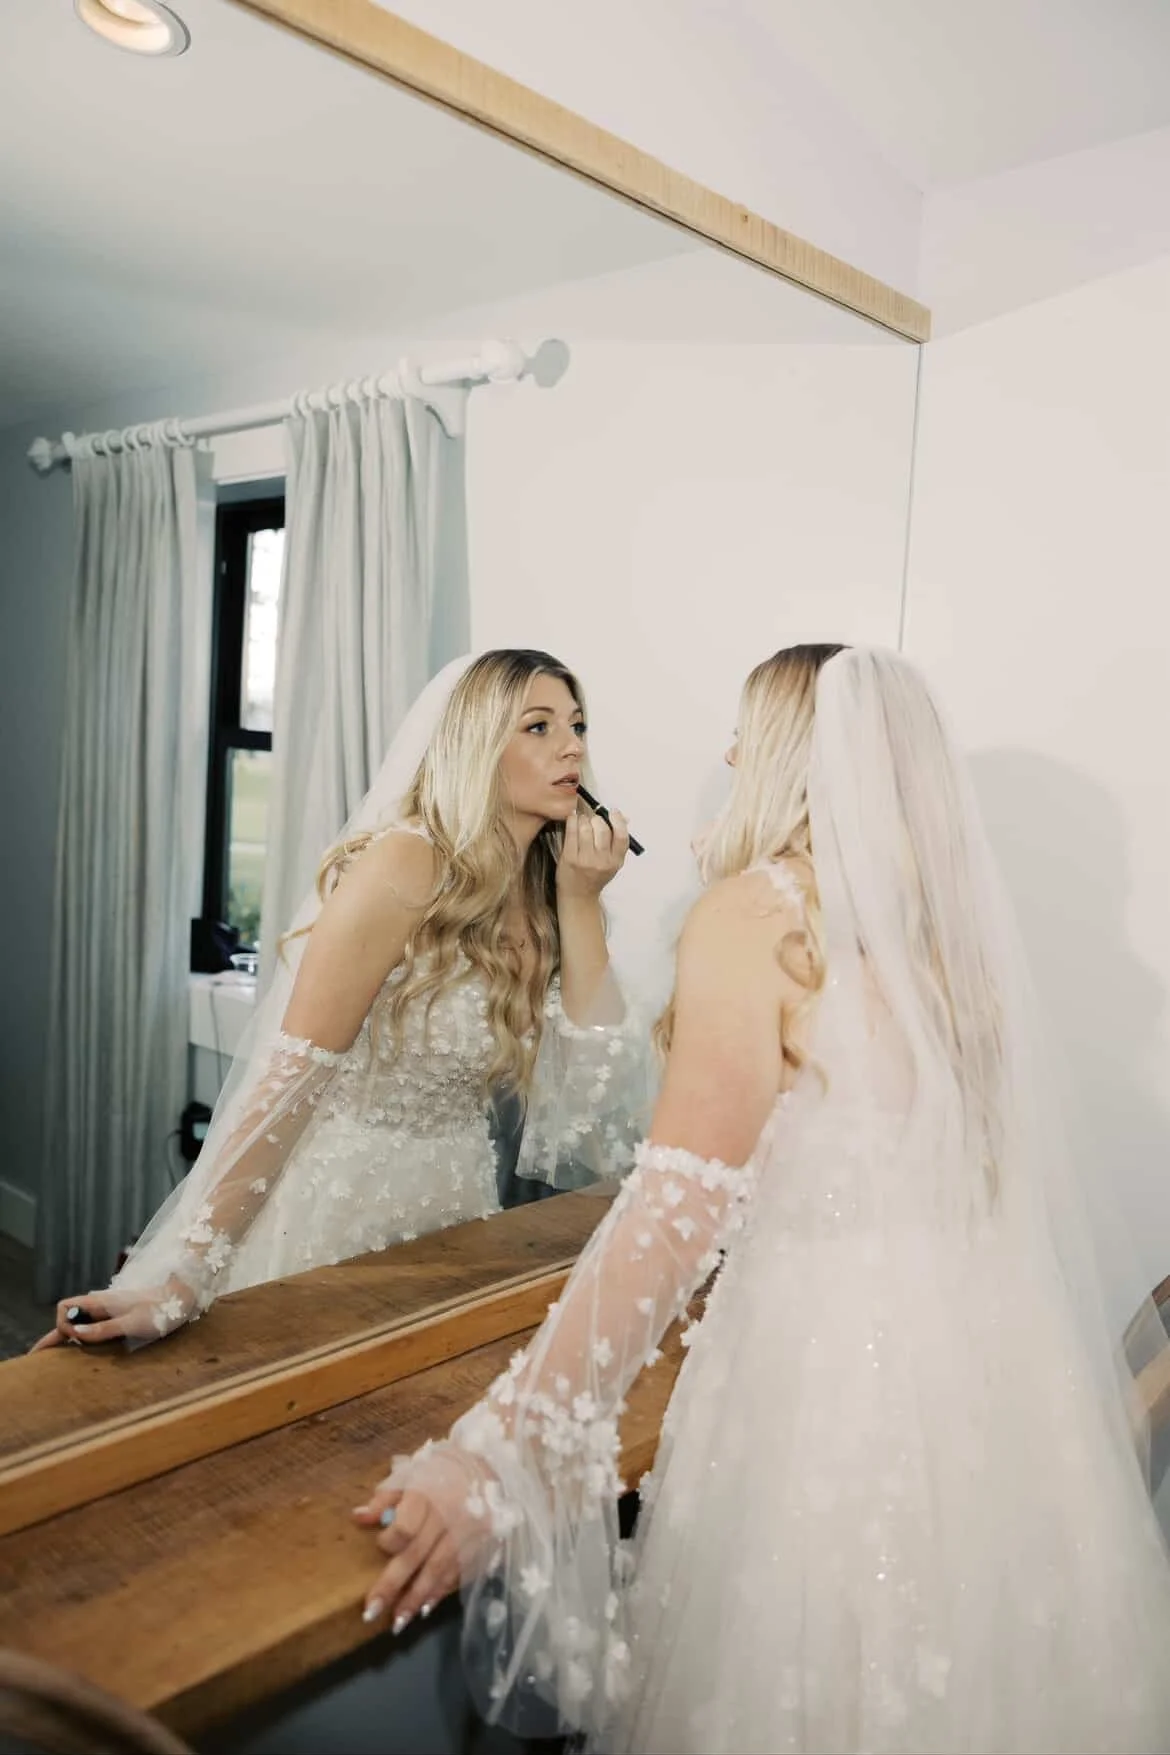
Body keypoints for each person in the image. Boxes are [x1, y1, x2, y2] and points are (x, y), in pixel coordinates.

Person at [355, 645, 1170, 1754]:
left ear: (797, 754)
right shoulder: (948, 950)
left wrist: (500, 1449)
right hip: (985, 1394)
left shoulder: (758, 915)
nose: (729, 753)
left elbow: (675, 1210)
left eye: (748, 732)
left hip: (827, 1392)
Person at [36, 649, 652, 1350]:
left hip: (455, 1211)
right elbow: (293, 1075)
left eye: (577, 725)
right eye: (538, 727)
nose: (572, 744)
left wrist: (578, 900)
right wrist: (188, 1270)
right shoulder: (405, 861)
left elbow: (591, 1101)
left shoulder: (549, 887)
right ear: (475, 744)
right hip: (338, 1204)